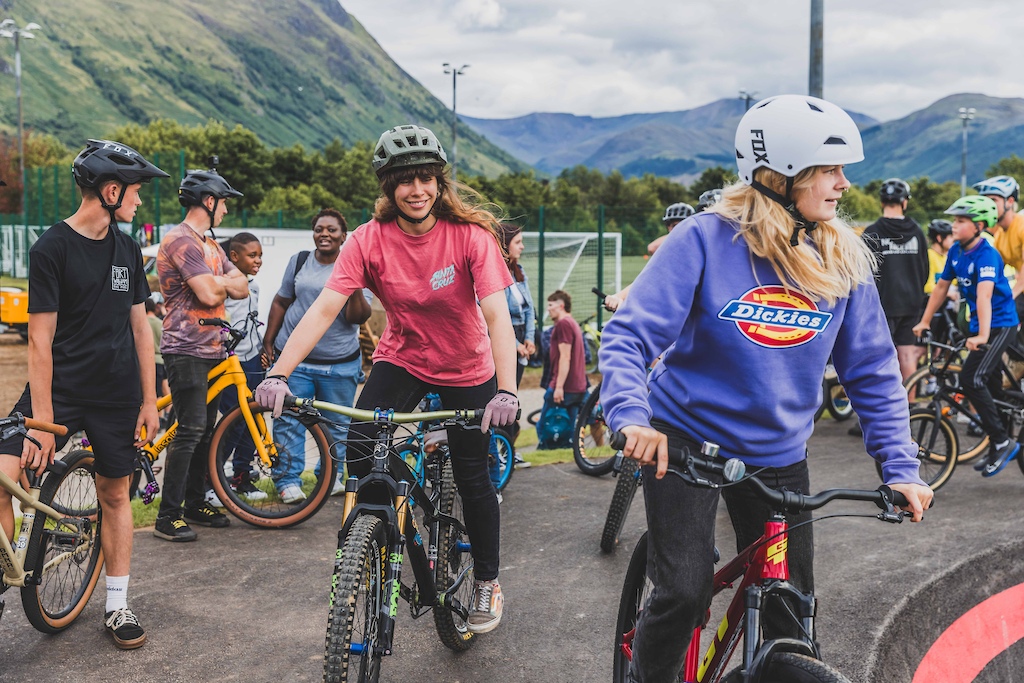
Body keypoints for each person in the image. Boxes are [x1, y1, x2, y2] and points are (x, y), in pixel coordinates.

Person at [599, 95, 932, 683]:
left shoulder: (842, 259)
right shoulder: (703, 240)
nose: (844, 184)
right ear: (782, 175)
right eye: (829, 170)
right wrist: (632, 417)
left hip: (779, 458)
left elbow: (875, 372)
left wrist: (900, 466)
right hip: (684, 444)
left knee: (790, 616)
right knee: (682, 590)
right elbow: (629, 338)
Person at [255, 124, 518, 634]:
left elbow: (497, 319)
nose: (417, 190)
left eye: (426, 179)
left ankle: (487, 579)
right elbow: (324, 310)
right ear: (388, 187)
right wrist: (279, 373)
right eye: (405, 181)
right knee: (359, 444)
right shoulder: (368, 240)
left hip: (467, 367)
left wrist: (506, 389)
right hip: (404, 358)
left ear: (439, 184)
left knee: (473, 476)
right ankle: (386, 519)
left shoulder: (470, 237)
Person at [0, 139, 168, 648]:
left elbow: (141, 331)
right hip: (59, 391)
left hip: (116, 395)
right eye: (136, 192)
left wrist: (147, 400)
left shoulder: (128, 249)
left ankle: (116, 606)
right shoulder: (52, 246)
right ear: (110, 191)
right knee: (5, 474)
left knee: (114, 493)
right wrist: (44, 423)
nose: (140, 202)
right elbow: (39, 339)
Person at [154, 167, 249, 541]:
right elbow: (210, 295)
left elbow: (240, 284)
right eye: (223, 203)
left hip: (213, 348)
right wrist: (220, 283)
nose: (225, 210)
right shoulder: (180, 241)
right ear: (208, 201)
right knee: (190, 429)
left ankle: (195, 502)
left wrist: (219, 281)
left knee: (206, 430)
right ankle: (168, 515)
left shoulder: (209, 243)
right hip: (185, 349)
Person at [260, 209, 372, 502]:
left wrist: (355, 285)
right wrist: (269, 342)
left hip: (339, 365)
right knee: (288, 421)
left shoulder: (356, 266)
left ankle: (331, 477)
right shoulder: (299, 261)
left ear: (343, 236)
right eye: (319, 229)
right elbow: (282, 301)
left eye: (332, 230)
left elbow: (358, 317)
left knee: (338, 425)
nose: (325, 234)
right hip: (295, 361)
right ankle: (287, 481)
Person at [914, 195, 1020, 476]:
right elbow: (940, 289)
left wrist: (983, 335)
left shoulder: (987, 255)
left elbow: (984, 296)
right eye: (954, 220)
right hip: (979, 327)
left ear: (979, 225)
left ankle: (1001, 441)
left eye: (960, 221)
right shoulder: (957, 252)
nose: (954, 225)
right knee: (992, 389)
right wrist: (924, 321)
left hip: (999, 325)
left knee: (971, 378)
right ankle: (999, 441)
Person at [215, 231, 267, 501]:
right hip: (229, 365)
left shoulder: (254, 286)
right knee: (235, 421)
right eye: (252, 255)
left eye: (260, 255)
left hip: (252, 361)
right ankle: (211, 479)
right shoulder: (224, 286)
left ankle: (241, 477)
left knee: (254, 420)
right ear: (234, 257)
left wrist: (262, 351)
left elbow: (252, 322)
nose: (258, 260)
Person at [604, 201, 696, 311]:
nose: (675, 230)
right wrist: (618, 297)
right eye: (672, 226)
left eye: (680, 225)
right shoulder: (670, 255)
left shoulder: (698, 251)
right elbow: (648, 279)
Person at [499, 222, 536, 455]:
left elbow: (530, 309)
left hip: (522, 337)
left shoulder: (519, 271)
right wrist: (514, 345)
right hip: (504, 338)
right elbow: (493, 316)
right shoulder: (495, 273)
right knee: (504, 396)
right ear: (505, 245)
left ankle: (508, 451)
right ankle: (505, 450)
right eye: (518, 242)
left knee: (512, 396)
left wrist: (530, 339)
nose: (522, 246)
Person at [972, 176, 1024, 320]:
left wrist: (1011, 295)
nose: (988, 205)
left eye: (993, 200)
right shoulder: (1000, 235)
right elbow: (995, 271)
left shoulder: (1021, 226)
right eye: (985, 200)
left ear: (1010, 201)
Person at [539, 290, 588, 439]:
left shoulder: (564, 324)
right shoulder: (572, 322)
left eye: (551, 305)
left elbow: (565, 357)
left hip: (564, 386)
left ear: (561, 306)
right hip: (577, 385)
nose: (548, 309)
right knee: (568, 430)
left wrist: (558, 387)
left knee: (543, 427)